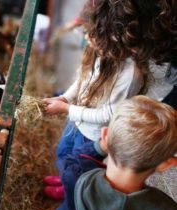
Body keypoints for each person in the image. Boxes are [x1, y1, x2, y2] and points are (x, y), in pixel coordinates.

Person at [42, 0, 159, 199]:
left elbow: (108, 114)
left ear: (113, 37)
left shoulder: (129, 74)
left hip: (93, 134)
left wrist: (67, 109)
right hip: (77, 121)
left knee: (80, 168)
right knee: (64, 152)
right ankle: (64, 179)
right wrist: (66, 97)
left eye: (91, 35)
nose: (87, 39)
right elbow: (82, 77)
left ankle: (70, 191)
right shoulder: (100, 50)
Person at [53, 96, 177, 210]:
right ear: (167, 164)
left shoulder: (75, 174)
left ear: (105, 135)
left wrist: (99, 147)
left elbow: (76, 157)